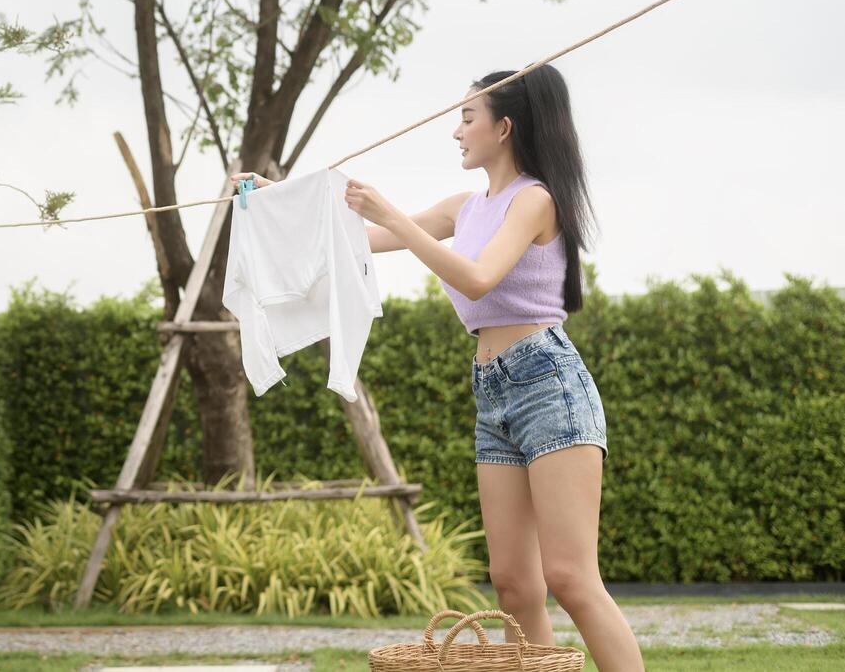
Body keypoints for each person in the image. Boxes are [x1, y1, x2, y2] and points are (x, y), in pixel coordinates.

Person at [231, 64, 643, 670]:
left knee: (570, 578)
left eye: (467, 117)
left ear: (503, 128)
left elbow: (477, 277)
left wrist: (394, 213)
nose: (456, 130)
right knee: (513, 585)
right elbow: (353, 241)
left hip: (548, 383)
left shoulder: (534, 201)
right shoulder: (464, 207)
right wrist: (274, 197)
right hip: (493, 388)